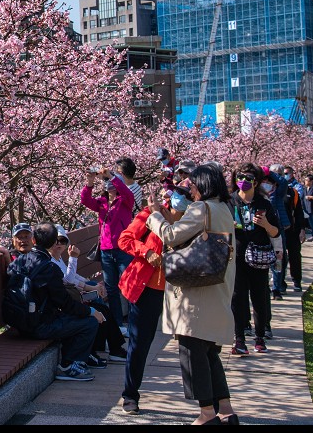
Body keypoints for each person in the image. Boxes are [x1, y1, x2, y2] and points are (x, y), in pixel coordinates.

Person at [146, 164, 241, 426]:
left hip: (196, 296)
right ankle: (226, 410)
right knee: (210, 353)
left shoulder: (203, 208)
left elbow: (172, 235)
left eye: (194, 185)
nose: (192, 191)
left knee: (192, 353)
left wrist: (155, 215)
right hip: (216, 288)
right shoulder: (224, 208)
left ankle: (207, 413)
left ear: (203, 185)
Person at [116, 173, 190, 414]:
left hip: (180, 290)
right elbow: (124, 239)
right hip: (147, 288)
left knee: (191, 342)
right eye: (176, 195)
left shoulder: (193, 221)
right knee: (140, 343)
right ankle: (130, 395)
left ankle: (204, 398)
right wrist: (145, 251)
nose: (177, 200)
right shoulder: (149, 215)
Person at [4, 222, 102, 382]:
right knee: (89, 323)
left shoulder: (19, 262)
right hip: (39, 326)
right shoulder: (48, 268)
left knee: (71, 318)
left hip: (20, 322)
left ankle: (77, 360)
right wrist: (91, 312)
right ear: (53, 243)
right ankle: (68, 366)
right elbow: (65, 303)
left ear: (34, 240)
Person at [49, 229, 127, 368]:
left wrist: (90, 284)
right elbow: (68, 280)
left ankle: (112, 348)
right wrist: (74, 259)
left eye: (62, 241)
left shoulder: (58, 258)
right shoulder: (50, 260)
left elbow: (72, 278)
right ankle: (99, 350)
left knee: (102, 309)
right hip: (64, 305)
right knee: (98, 311)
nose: (58, 244)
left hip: (71, 298)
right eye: (55, 241)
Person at [81, 159, 138, 333]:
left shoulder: (125, 201)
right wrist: (90, 181)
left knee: (129, 285)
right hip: (106, 250)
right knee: (111, 288)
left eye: (112, 183)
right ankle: (118, 324)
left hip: (123, 249)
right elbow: (85, 200)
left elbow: (126, 192)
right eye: (106, 183)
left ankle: (134, 323)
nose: (110, 186)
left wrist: (111, 176)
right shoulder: (101, 203)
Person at [230, 163, 280, 355]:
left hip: (258, 257)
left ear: (256, 182)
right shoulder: (230, 201)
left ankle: (259, 338)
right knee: (237, 297)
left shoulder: (264, 204)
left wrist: (266, 224)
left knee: (259, 297)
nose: (243, 182)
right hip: (236, 257)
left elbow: (276, 233)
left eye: (248, 178)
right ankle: (239, 339)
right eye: (240, 177)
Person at [264, 164, 293, 301]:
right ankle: (266, 286)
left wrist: (270, 173)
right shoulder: (260, 191)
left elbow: (282, 181)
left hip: (278, 226)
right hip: (263, 227)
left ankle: (277, 287)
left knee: (278, 257)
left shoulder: (279, 191)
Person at [282, 165, 307, 291]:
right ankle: (280, 284)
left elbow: (299, 212)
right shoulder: (272, 192)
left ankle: (296, 281)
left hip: (292, 230)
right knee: (279, 257)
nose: (284, 176)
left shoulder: (293, 192)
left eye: (286, 173)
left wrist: (302, 229)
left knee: (295, 256)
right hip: (278, 230)